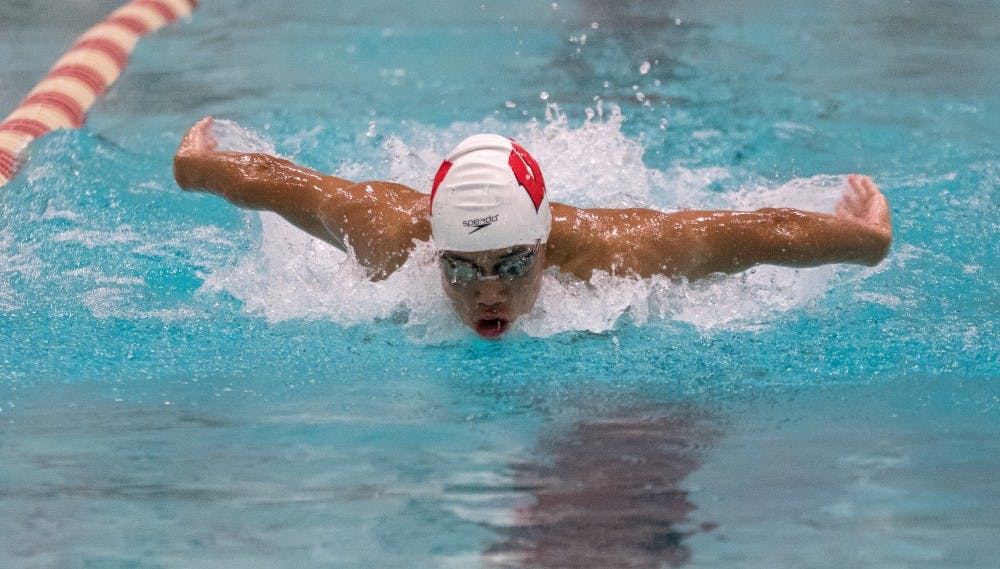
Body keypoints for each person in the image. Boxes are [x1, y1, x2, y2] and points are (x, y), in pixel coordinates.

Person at [174, 117, 892, 338]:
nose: (487, 293)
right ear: (439, 251)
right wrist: (196, 168)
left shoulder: (619, 251)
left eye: (512, 267)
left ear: (544, 247)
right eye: (462, 268)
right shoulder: (393, 235)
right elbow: (275, 184)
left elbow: (763, 233)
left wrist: (864, 242)